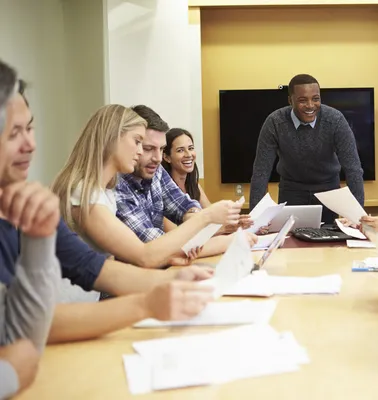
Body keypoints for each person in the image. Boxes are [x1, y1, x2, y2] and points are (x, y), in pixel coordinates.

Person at [2, 79, 215, 344]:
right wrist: (149, 300)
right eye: (139, 142)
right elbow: (142, 256)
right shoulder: (83, 194)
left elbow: (95, 266)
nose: (142, 153)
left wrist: (170, 282)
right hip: (68, 324)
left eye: (29, 129)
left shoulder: (75, 198)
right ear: (111, 139)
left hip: (78, 321)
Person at [53, 104, 244, 274]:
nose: (158, 158)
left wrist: (170, 261)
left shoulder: (104, 191)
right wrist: (208, 219)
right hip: (80, 305)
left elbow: (114, 264)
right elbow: (146, 255)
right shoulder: (88, 194)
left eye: (161, 149)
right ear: (112, 140)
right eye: (139, 143)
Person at [114, 105, 256, 254]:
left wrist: (206, 220)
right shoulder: (117, 187)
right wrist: (221, 235)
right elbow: (155, 248)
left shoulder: (156, 171)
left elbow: (182, 205)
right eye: (148, 148)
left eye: (161, 149)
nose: (157, 158)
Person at [0, 61, 60, 399]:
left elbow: (20, 345)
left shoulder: (24, 202)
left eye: (30, 128)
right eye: (13, 134)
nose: (31, 145)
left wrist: (39, 237)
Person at [249, 74, 364, 224]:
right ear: (290, 101)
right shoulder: (275, 123)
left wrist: (357, 217)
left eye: (315, 99)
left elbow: (353, 169)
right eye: (303, 100)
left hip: (328, 191)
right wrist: (256, 220)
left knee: (329, 242)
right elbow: (261, 173)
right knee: (290, 240)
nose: (310, 105)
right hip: (291, 190)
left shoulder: (335, 120)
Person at [162, 127, 210, 208]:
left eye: (191, 148)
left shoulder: (194, 184)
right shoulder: (162, 188)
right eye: (180, 150)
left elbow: (210, 211)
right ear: (167, 157)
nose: (188, 155)